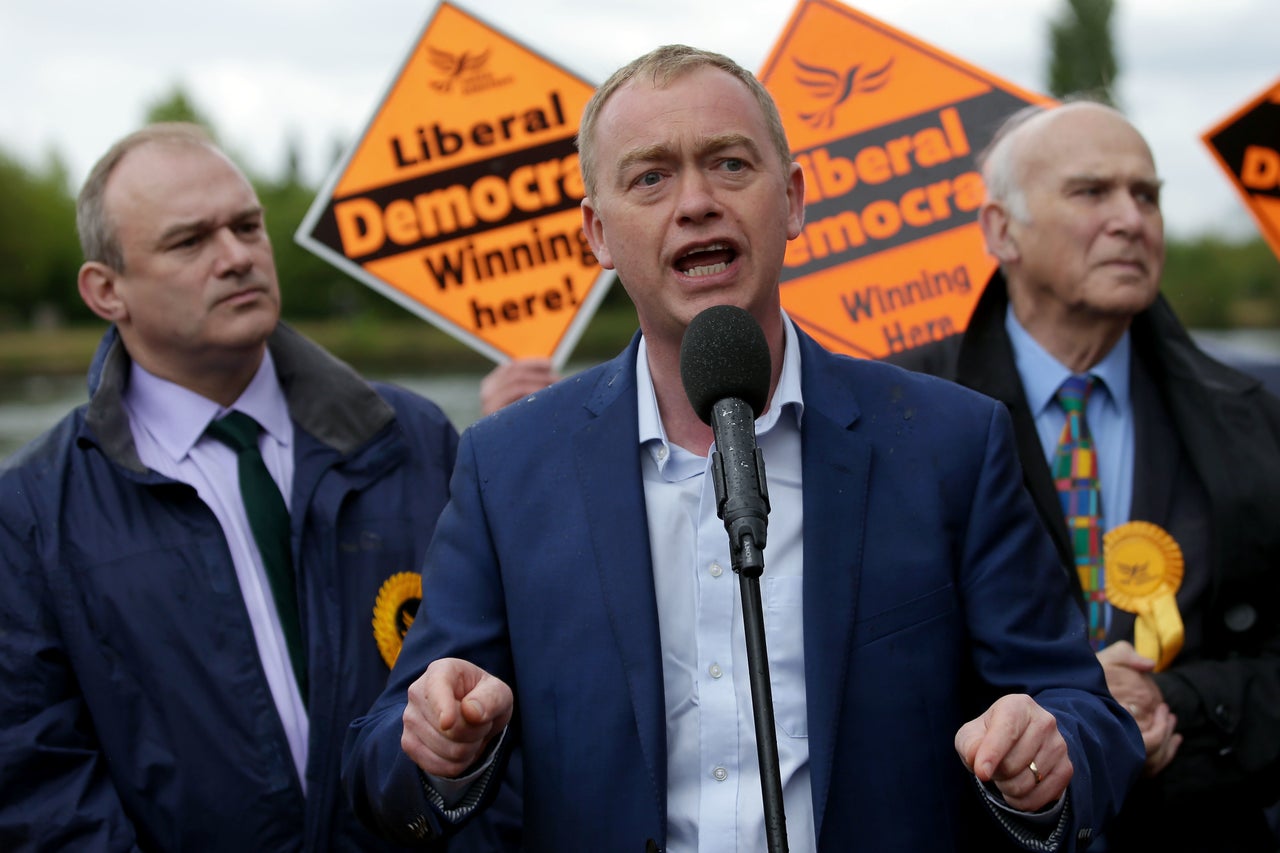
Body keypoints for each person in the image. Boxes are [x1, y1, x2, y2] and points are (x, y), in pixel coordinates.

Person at [342, 46, 1144, 851]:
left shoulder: (951, 441)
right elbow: (384, 762)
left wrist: (1045, 756)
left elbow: (1086, 716)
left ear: (792, 200)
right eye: (649, 177)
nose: (695, 202)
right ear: (598, 234)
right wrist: (441, 750)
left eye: (729, 163)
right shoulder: (506, 466)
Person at [0, 122, 507, 851]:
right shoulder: (31, 514)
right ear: (105, 289)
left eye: (246, 226)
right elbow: (40, 787)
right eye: (190, 241)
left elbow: (505, 694)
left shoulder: (414, 438)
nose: (236, 257)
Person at [888, 100, 1280, 850]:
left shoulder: (1250, 417)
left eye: (1148, 195)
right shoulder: (901, 415)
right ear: (1001, 230)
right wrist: (1073, 719)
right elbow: (874, 672)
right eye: (1091, 192)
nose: (1132, 219)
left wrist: (1172, 703)